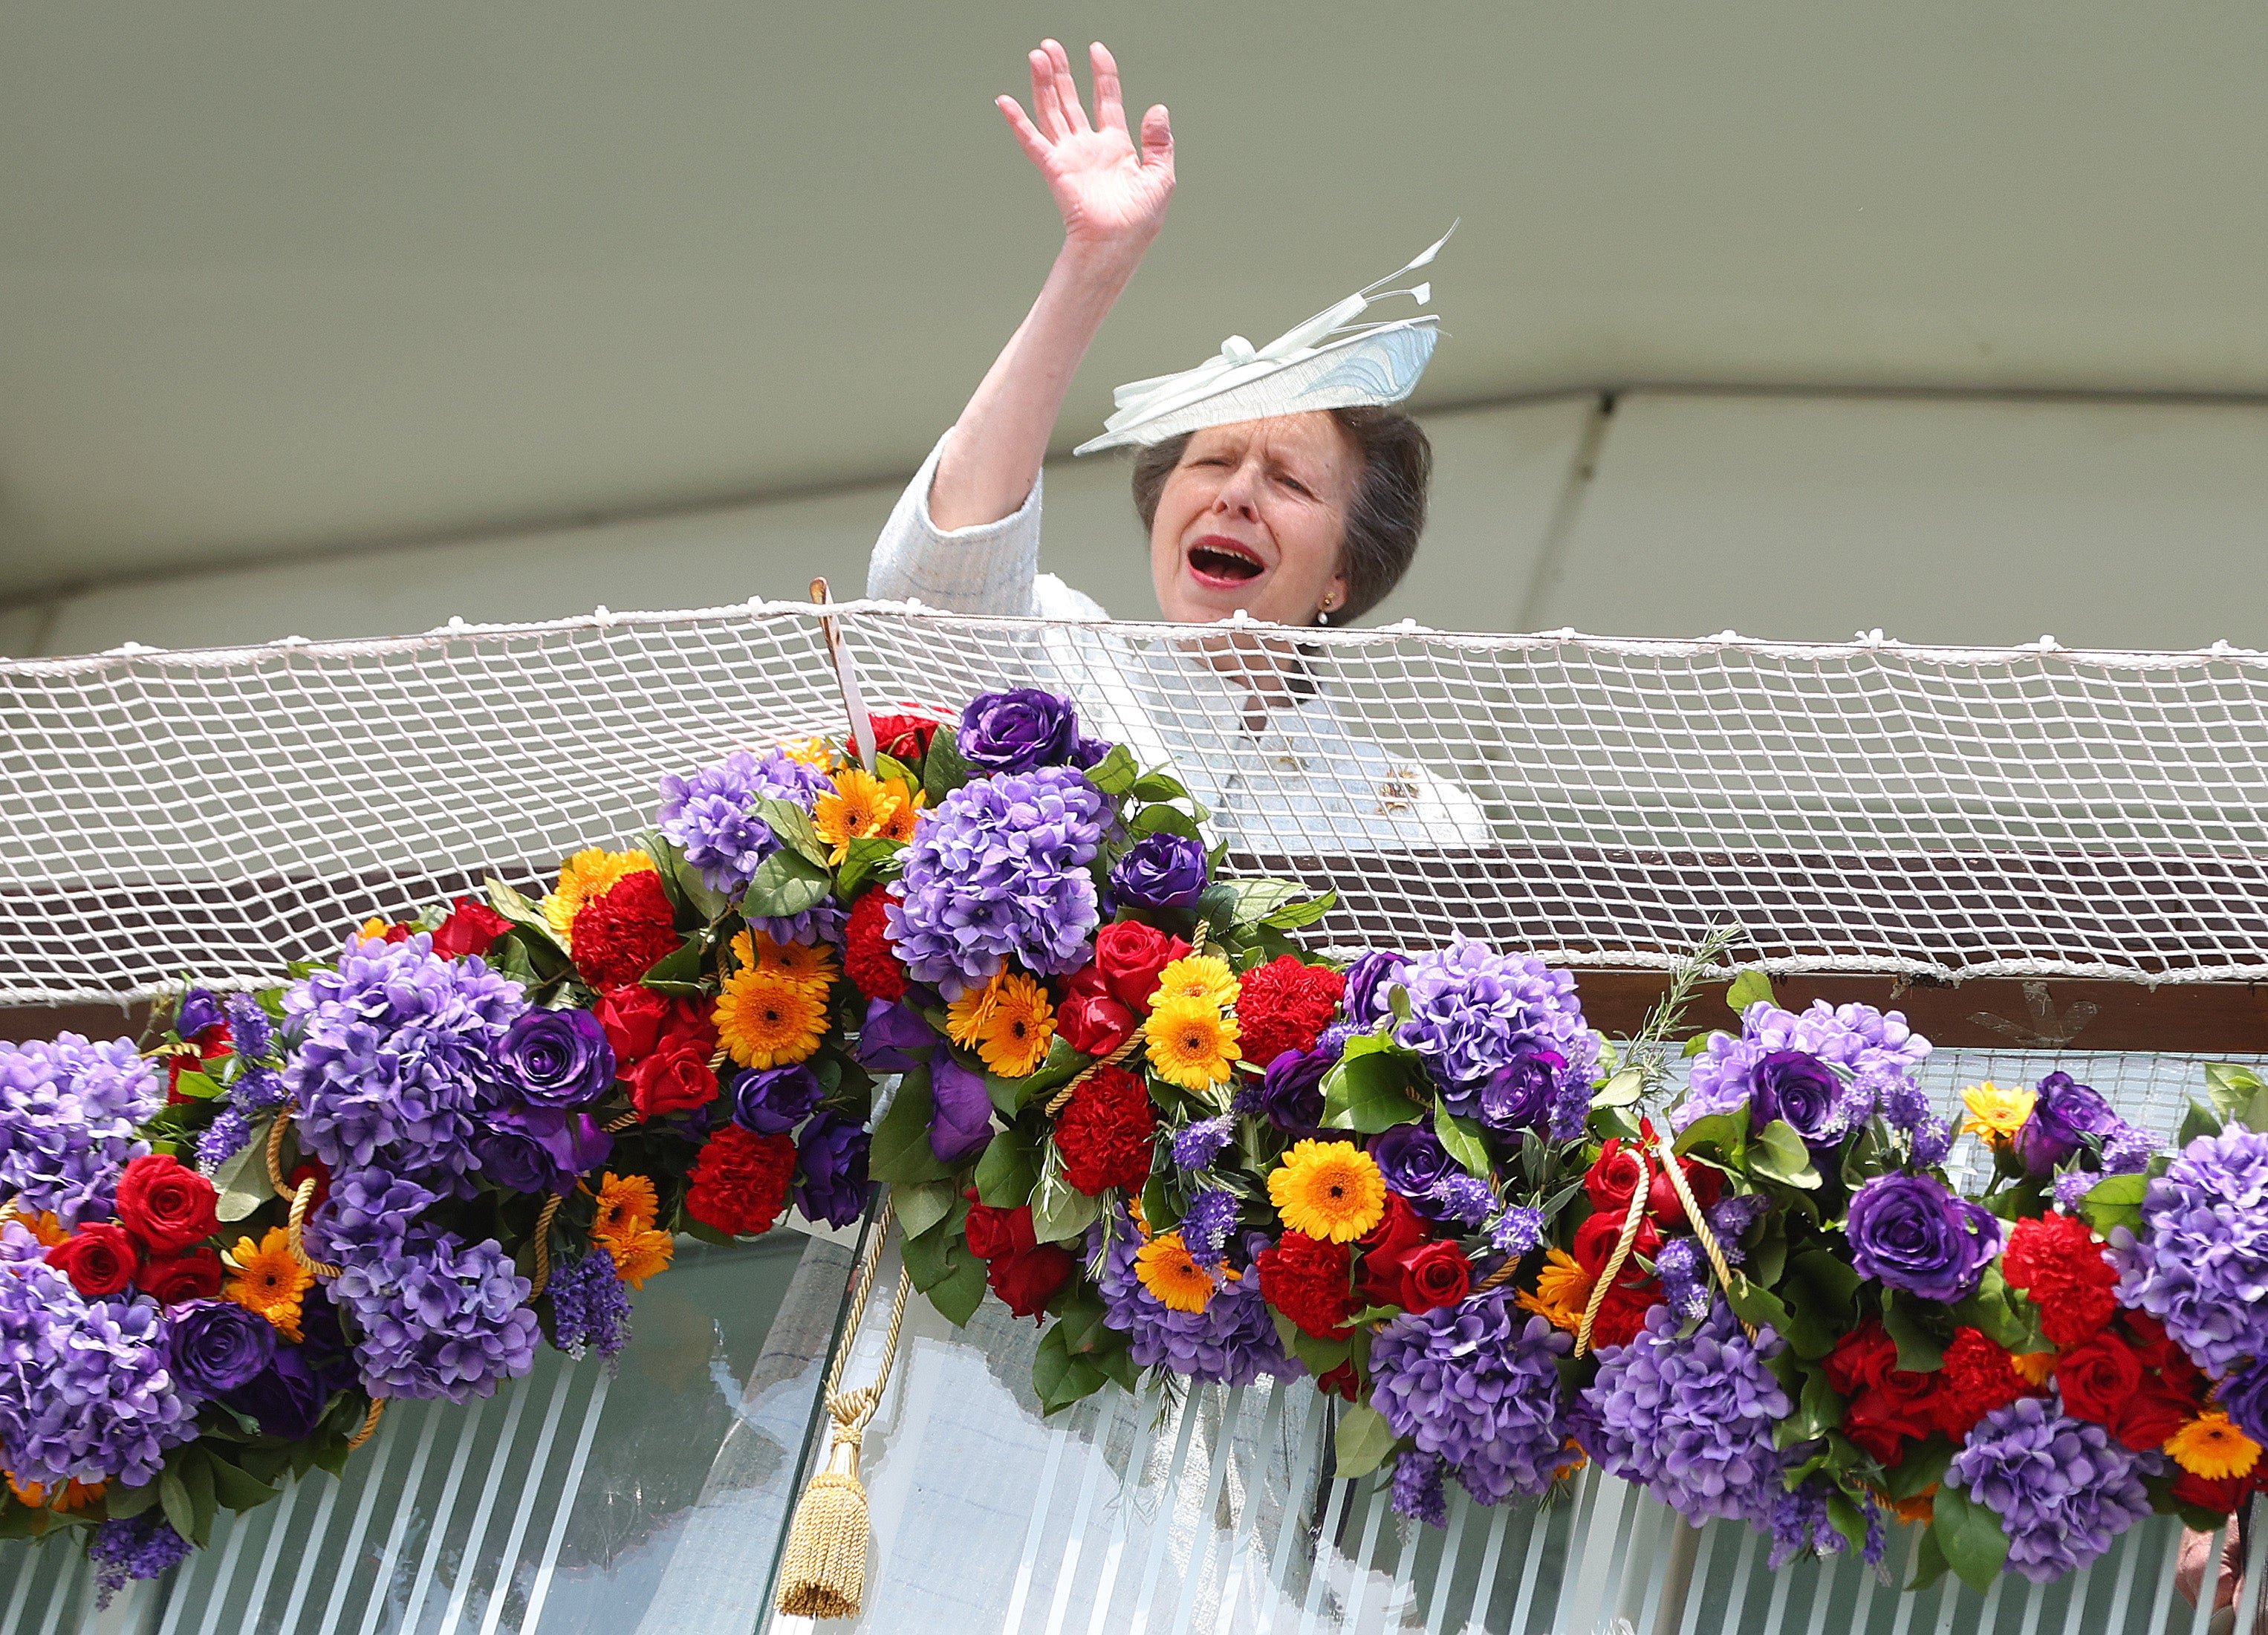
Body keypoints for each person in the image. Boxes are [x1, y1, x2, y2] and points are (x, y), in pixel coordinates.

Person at [868, 39, 1486, 852]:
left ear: (1342, 572)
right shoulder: (1053, 660)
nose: (1235, 494)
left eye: (1291, 483)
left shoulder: (1419, 816)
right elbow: (934, 584)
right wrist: (1091, 267)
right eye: (1212, 461)